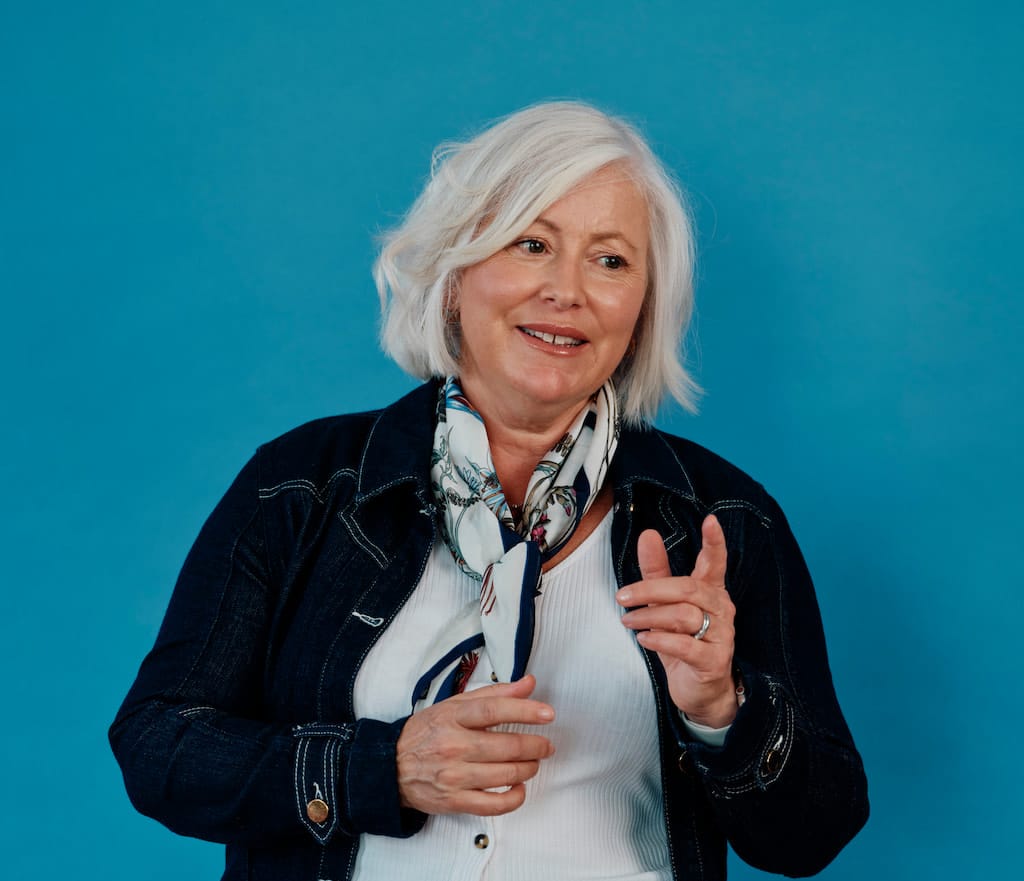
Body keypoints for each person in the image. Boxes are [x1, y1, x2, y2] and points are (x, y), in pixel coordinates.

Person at [110, 101, 868, 881]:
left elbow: (812, 837)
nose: (567, 291)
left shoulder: (722, 520)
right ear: (454, 274)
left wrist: (722, 709)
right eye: (532, 243)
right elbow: (158, 744)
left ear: (643, 308)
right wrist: (383, 768)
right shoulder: (302, 486)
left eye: (611, 261)